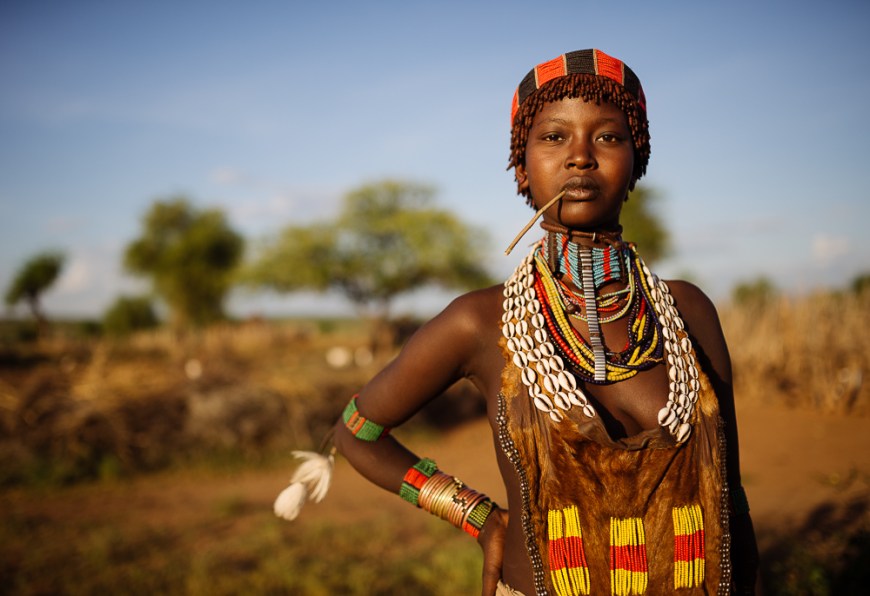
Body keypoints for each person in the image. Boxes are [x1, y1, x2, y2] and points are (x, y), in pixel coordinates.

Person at [283, 48, 759, 595]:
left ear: (638, 160)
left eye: (608, 137)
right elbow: (358, 433)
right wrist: (477, 516)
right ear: (521, 166)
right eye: (554, 137)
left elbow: (728, 494)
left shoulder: (686, 310)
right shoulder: (480, 322)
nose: (580, 158)